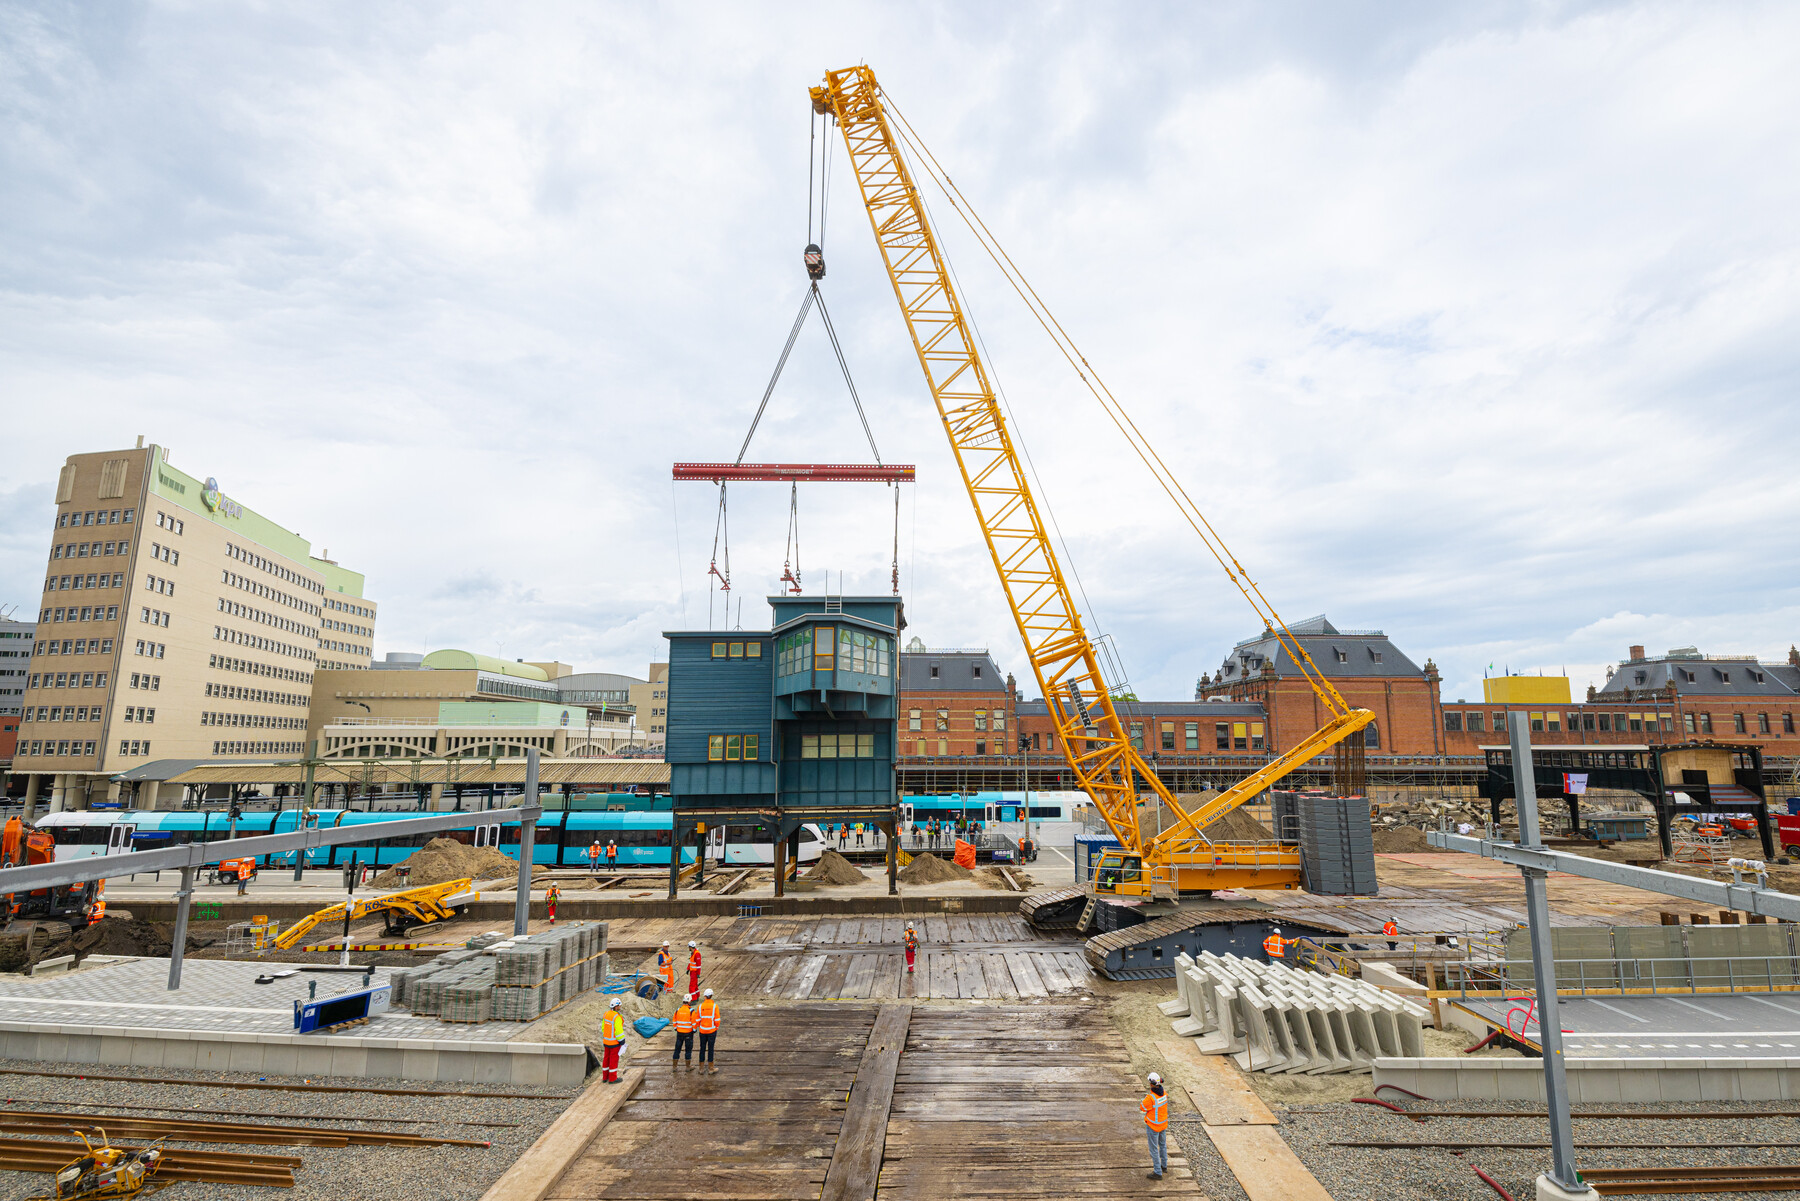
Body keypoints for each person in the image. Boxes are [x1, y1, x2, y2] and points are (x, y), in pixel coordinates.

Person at [1141, 1072, 1169, 1179]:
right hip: (1163, 1125)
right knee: (1162, 1145)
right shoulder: (1165, 1094)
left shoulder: (1151, 1098)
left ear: (1151, 1084)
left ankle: (1157, 1172)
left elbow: (1142, 1107)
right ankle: (1164, 1166)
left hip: (1153, 1127)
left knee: (1153, 1149)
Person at [600, 998, 627, 1083]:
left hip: (606, 1042)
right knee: (613, 1060)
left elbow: (603, 1028)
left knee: (606, 1059)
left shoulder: (606, 1014)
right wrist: (622, 1041)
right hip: (614, 1043)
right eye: (619, 1005)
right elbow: (618, 1031)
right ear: (616, 1006)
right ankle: (612, 1078)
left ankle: (605, 1077)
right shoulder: (617, 1017)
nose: (620, 1007)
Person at [696, 987, 721, 1074]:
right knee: (711, 1049)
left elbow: (697, 1020)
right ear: (711, 996)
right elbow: (717, 1020)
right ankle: (711, 1068)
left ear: (704, 996)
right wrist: (715, 1027)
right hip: (712, 1031)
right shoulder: (714, 1006)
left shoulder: (700, 1007)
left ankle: (701, 1069)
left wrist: (701, 1026)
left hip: (702, 1031)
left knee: (702, 1048)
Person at [671, 992, 697, 1070]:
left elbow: (674, 1020)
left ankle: (674, 1067)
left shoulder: (678, 1010)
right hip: (688, 1033)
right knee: (688, 1050)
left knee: (677, 1049)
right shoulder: (691, 1011)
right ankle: (688, 1067)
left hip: (679, 1033)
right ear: (689, 1001)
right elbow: (694, 1022)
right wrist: (694, 1030)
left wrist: (676, 1028)